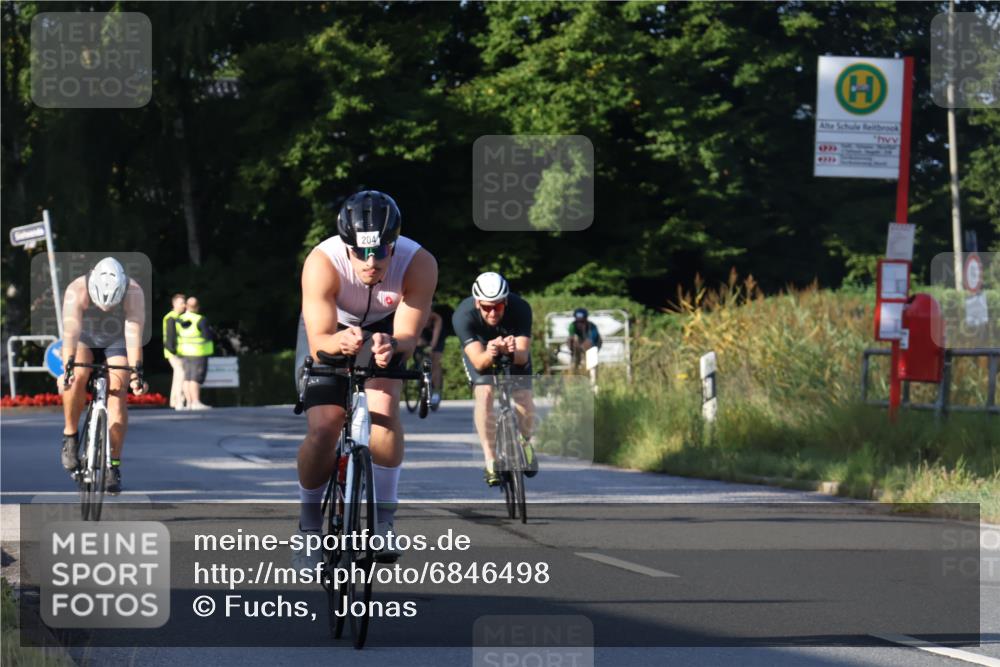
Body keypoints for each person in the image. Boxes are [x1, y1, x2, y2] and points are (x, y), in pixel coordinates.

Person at [295, 190, 437, 566]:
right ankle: (309, 527)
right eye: (360, 252)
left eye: (381, 252)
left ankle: (384, 523)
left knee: (384, 411)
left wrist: (393, 346)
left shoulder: (419, 262)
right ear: (346, 245)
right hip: (332, 328)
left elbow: (407, 336)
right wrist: (338, 342)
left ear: (395, 243)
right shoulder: (323, 263)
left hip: (384, 329)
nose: (371, 262)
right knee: (325, 426)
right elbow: (319, 342)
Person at [59, 257, 148, 495]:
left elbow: (133, 333)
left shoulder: (134, 292)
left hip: (116, 338)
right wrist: (67, 368)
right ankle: (70, 435)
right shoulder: (76, 290)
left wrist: (137, 373)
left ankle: (113, 466)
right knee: (76, 375)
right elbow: (70, 334)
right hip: (83, 337)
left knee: (119, 390)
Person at [451, 272, 538, 487]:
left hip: (512, 350)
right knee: (485, 393)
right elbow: (480, 363)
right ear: (477, 302)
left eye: (497, 307)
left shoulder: (521, 308)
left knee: (524, 397)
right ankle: (490, 460)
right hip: (482, 351)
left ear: (506, 301)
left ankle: (525, 443)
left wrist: (509, 351)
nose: (492, 312)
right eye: (486, 307)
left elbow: (522, 356)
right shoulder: (463, 315)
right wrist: (491, 353)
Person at [176, 296, 214, 410]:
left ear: (187, 306)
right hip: (198, 352)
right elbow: (207, 336)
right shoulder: (200, 319)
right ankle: (196, 402)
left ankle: (189, 402)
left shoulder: (179, 319)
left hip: (184, 352)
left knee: (187, 378)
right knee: (195, 378)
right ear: (197, 307)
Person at [162, 293, 187, 409]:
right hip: (174, 352)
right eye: (181, 303)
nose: (184, 305)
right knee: (180, 375)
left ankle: (175, 401)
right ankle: (178, 402)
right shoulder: (172, 317)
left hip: (176, 352)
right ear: (174, 304)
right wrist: (173, 351)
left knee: (178, 376)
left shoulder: (177, 317)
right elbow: (170, 336)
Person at [418, 308, 445, 409]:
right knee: (418, 353)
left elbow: (435, 340)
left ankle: (436, 391)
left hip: (437, 337)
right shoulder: (418, 316)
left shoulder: (437, 319)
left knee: (435, 361)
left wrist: (431, 347)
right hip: (424, 335)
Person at [567, 307, 602, 371]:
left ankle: (592, 373)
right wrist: (572, 347)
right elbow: (570, 339)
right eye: (577, 321)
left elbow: (591, 342)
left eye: (582, 321)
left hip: (594, 344)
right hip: (580, 343)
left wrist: (582, 348)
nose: (579, 324)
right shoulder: (572, 326)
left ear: (586, 319)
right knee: (574, 348)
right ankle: (575, 369)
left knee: (591, 352)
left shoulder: (592, 327)